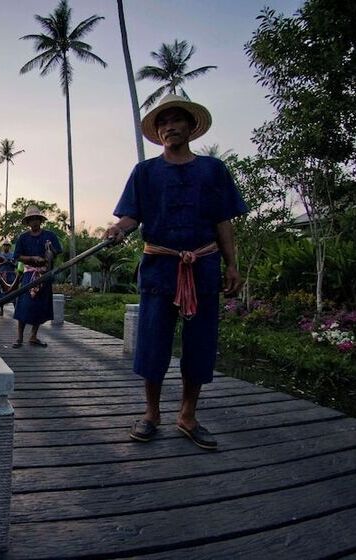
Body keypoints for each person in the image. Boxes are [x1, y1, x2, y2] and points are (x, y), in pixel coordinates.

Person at [104, 94, 247, 450]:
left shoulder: (213, 169)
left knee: (199, 343)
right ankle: (151, 414)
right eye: (163, 122)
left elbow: (222, 221)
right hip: (159, 267)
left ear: (190, 127)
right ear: (158, 131)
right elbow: (132, 216)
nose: (169, 127)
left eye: (176, 120)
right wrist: (118, 229)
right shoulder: (145, 172)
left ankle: (188, 415)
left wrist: (232, 265)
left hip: (203, 264)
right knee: (153, 342)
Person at [13, 206, 62, 347]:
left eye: (36, 219)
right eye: (31, 220)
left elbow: (57, 252)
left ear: (40, 220)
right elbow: (18, 257)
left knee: (40, 306)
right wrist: (33, 258)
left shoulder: (50, 236)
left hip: (44, 274)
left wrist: (50, 250)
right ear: (28, 222)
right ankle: (19, 337)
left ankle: (33, 336)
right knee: (24, 305)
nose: (34, 222)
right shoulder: (23, 238)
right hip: (29, 274)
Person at [0, 241, 17, 316]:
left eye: (7, 245)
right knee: (1, 293)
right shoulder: (0, 255)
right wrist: (3, 262)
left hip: (11, 274)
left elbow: (16, 265)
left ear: (9, 246)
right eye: (5, 245)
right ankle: (1, 310)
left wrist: (10, 262)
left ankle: (16, 310)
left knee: (13, 292)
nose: (6, 247)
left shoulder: (13, 254)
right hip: (2, 275)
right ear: (3, 246)